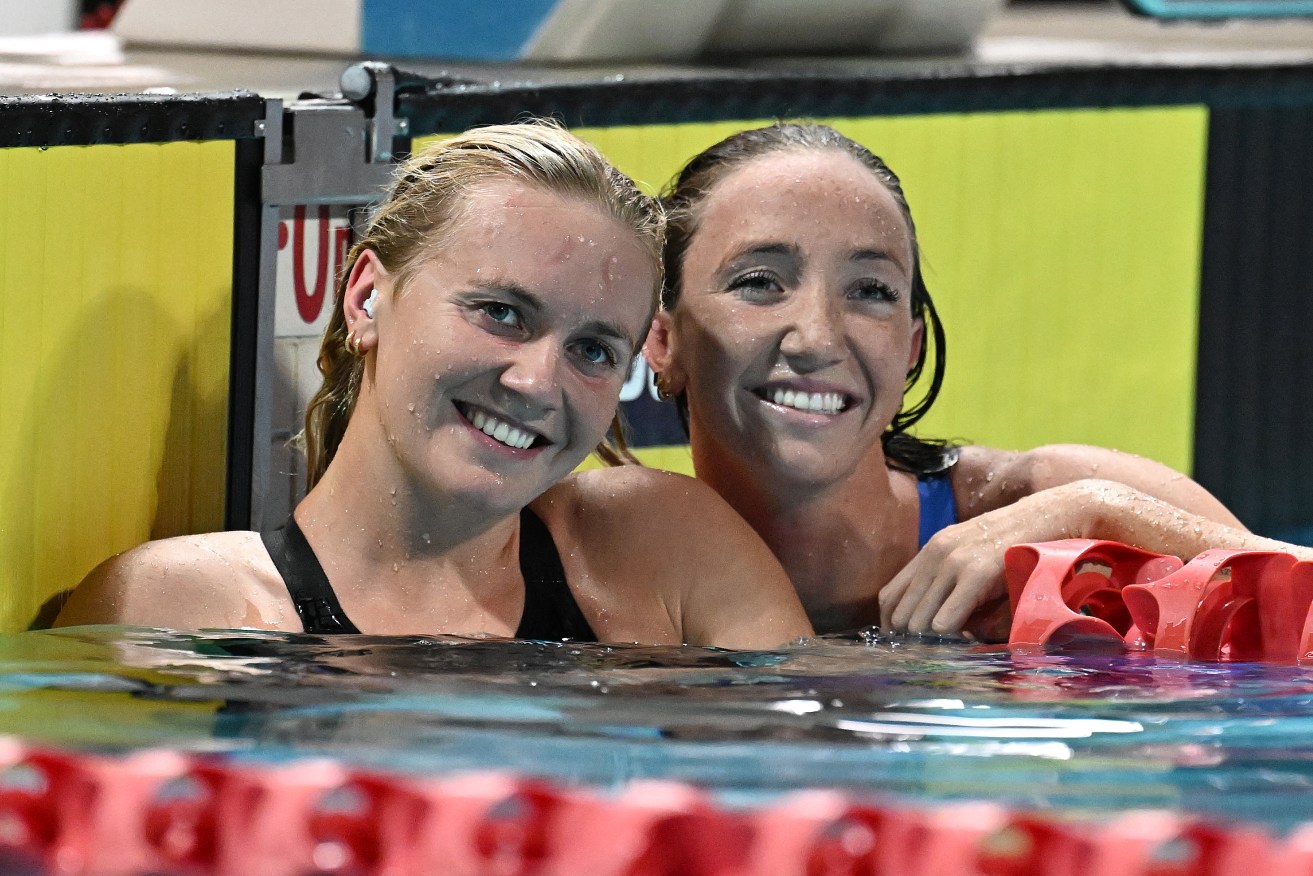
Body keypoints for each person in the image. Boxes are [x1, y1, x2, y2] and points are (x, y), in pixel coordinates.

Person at [57, 121, 812, 648]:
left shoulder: (663, 549)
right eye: (501, 312)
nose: (536, 380)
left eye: (592, 349)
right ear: (365, 298)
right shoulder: (180, 614)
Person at [642, 122, 1257, 640]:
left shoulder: (1043, 500)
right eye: (759, 283)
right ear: (663, 341)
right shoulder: (611, 556)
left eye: (870, 291)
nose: (819, 338)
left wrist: (1093, 511)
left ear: (908, 349)